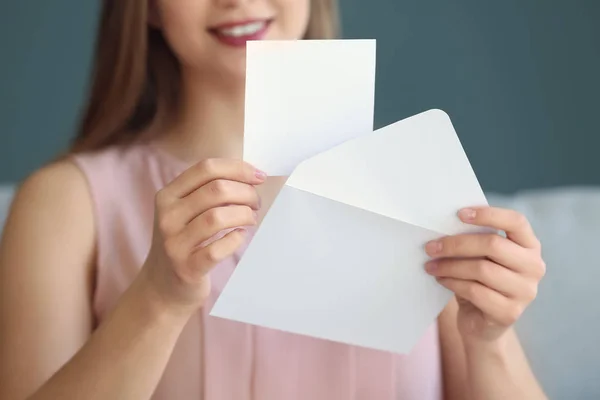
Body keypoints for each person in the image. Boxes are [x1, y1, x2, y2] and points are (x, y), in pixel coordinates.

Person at [0, 1, 548, 399]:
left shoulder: (414, 181)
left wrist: (491, 341)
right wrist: (158, 300)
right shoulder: (65, 203)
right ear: (145, 8)